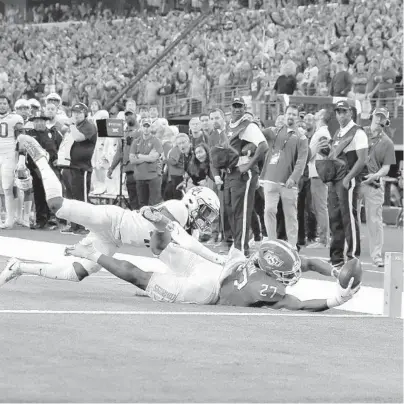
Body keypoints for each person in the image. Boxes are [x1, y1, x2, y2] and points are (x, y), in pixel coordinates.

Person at [0, 134, 220, 286]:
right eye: (206, 212)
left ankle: (19, 267)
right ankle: (41, 158)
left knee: (75, 273)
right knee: (57, 205)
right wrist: (219, 259)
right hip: (113, 220)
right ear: (194, 201)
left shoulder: (183, 224)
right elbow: (188, 243)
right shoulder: (180, 210)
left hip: (113, 239)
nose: (206, 219)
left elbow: (177, 261)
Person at [41, 209, 361, 312]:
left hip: (217, 267)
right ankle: (91, 254)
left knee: (161, 250)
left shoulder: (266, 262)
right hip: (205, 291)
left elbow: (307, 263)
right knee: (141, 277)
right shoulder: (266, 287)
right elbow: (300, 304)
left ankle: (163, 228)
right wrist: (338, 297)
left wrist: (334, 270)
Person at [213, 97, 268, 256]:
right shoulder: (228, 127)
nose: (237, 109)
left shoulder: (248, 126)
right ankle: (237, 246)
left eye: (240, 106)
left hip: (243, 174)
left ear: (244, 108)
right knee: (231, 210)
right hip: (229, 174)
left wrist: (248, 166)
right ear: (230, 107)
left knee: (241, 212)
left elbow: (263, 145)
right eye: (235, 106)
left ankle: (242, 250)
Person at [325, 101, 368, 268]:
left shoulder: (358, 131)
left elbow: (362, 159)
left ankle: (353, 257)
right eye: (338, 112)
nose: (341, 115)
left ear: (350, 112)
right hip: (335, 180)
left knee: (348, 218)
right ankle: (336, 258)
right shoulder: (338, 133)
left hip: (347, 180)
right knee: (334, 217)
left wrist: (348, 178)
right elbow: (334, 155)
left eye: (344, 111)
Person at [260, 104, 309, 249]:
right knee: (269, 210)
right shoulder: (274, 132)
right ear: (284, 115)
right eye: (289, 114)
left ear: (298, 118)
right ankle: (272, 243)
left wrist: (293, 178)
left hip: (288, 182)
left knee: (291, 214)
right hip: (270, 178)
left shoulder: (301, 138)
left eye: (294, 114)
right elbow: (258, 133)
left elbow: (301, 161)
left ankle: (292, 245)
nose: (291, 116)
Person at [359, 108, 396, 267]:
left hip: (373, 182)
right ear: (372, 117)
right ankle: (349, 251)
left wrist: (375, 176)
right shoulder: (360, 132)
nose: (378, 120)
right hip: (356, 179)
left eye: (382, 117)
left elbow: (386, 168)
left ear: (385, 121)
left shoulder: (388, 142)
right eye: (377, 116)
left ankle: (376, 255)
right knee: (350, 216)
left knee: (374, 220)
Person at [58, 102, 97, 235]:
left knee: (81, 198)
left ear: (85, 113)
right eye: (74, 112)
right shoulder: (75, 126)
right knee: (71, 198)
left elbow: (79, 138)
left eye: (79, 112)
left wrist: (72, 125)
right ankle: (74, 225)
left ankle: (85, 226)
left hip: (82, 167)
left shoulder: (88, 125)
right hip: (70, 165)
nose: (76, 115)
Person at [306, 109, 332, 249]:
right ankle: (323, 238)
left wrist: (307, 156)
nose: (315, 113)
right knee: (318, 207)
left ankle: (323, 240)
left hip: (318, 173)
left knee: (320, 207)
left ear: (321, 116)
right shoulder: (322, 132)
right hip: (316, 173)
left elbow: (324, 152)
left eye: (318, 112)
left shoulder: (322, 133)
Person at [108, 106, 140, 210]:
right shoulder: (123, 133)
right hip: (129, 171)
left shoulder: (142, 130)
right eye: (126, 115)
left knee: (143, 199)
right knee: (133, 199)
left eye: (130, 114)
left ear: (135, 115)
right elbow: (119, 152)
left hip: (141, 170)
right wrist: (111, 167)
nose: (128, 117)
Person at [0, 95, 24, 229]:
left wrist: (21, 158)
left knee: (7, 187)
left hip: (9, 154)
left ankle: (10, 218)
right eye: (0, 103)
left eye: (4, 103)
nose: (2, 105)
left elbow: (21, 138)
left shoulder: (16, 118)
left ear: (9, 105)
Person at [129, 118, 163, 207]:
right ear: (141, 127)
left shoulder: (156, 141)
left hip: (153, 176)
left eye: (148, 126)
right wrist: (147, 157)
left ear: (151, 127)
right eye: (144, 126)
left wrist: (139, 156)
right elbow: (132, 160)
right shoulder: (136, 141)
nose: (146, 128)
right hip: (140, 177)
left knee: (155, 204)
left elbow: (154, 158)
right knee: (142, 204)